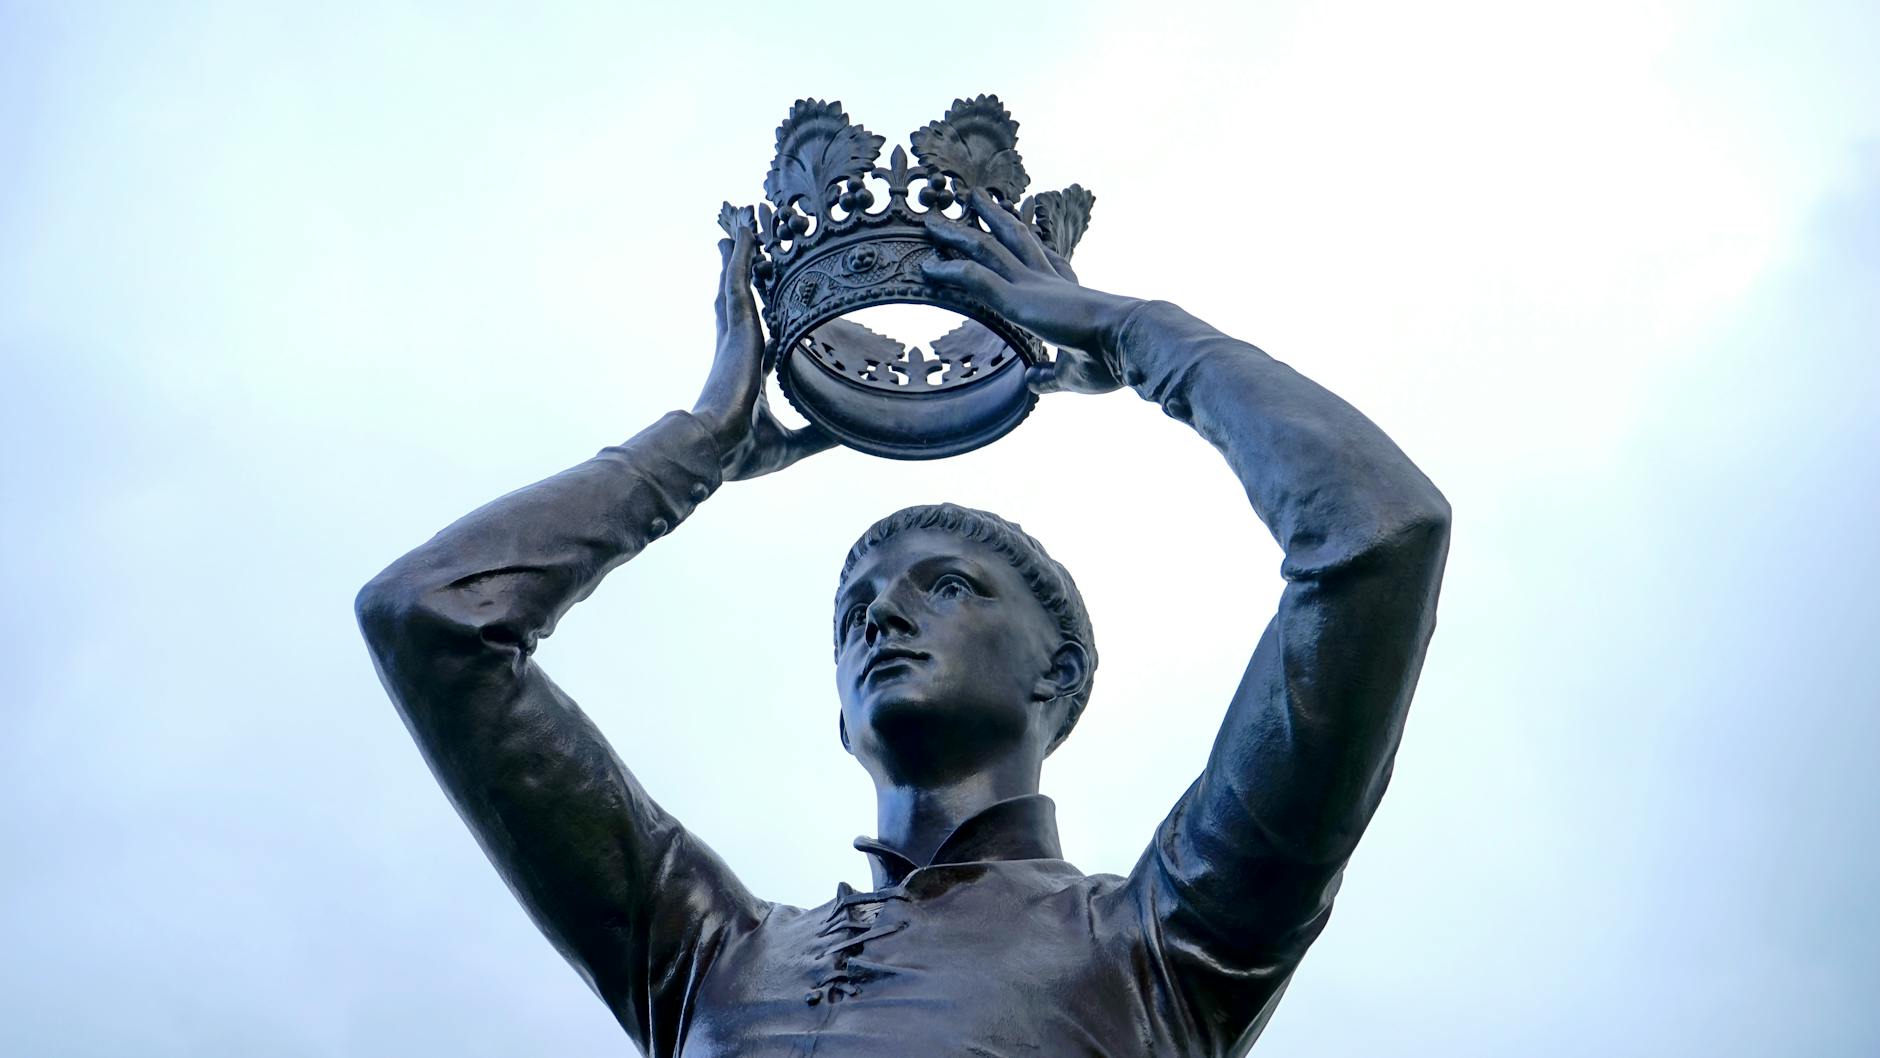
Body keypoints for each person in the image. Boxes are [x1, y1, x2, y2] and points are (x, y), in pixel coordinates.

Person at [355, 191, 1451, 1057]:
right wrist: (692, 447)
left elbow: (1376, 535)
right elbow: (433, 618)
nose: (881, 607)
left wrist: (1134, 335)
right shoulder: (708, 954)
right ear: (839, 720)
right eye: (854, 605)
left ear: (1055, 674)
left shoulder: (1161, 939)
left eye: (949, 585)